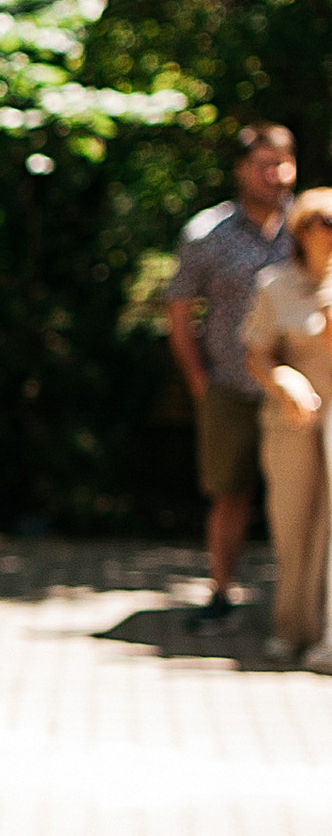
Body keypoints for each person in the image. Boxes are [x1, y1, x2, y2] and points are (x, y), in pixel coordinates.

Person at [167, 124, 297, 630]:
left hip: (298, 390)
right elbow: (180, 311)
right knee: (230, 493)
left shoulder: (311, 225)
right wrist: (199, 382)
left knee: (301, 497)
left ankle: (299, 601)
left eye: (282, 164)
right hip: (230, 386)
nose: (275, 175)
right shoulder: (207, 233)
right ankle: (222, 593)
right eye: (264, 165)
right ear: (241, 170)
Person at [244, 187, 332, 665]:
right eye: (325, 223)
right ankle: (291, 627)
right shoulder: (274, 285)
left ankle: (324, 637)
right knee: (292, 523)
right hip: (290, 421)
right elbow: (257, 355)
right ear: (302, 230)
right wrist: (285, 380)